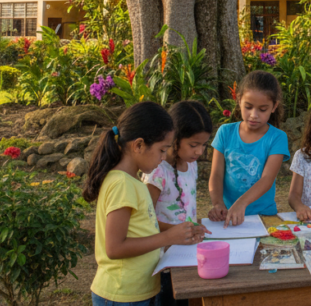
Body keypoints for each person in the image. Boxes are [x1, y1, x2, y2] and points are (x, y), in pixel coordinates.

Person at [83, 101, 205, 306]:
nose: (164, 156)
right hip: (120, 295)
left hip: (136, 292)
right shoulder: (122, 184)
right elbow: (114, 248)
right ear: (138, 145)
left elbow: (143, 228)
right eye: (162, 150)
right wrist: (167, 237)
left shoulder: (132, 181)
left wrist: (179, 232)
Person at [143, 101, 213, 306]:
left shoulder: (190, 165)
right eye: (194, 145)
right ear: (174, 139)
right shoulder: (156, 171)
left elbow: (186, 208)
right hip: (162, 260)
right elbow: (144, 220)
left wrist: (191, 229)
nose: (200, 152)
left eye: (204, 145)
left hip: (187, 253)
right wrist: (175, 232)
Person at [208, 70, 290, 225]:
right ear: (239, 100)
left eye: (262, 109)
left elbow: (267, 179)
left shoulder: (277, 138)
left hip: (264, 215)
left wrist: (241, 203)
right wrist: (218, 203)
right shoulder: (225, 132)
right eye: (248, 107)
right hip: (228, 214)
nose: (254, 115)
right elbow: (216, 175)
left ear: (274, 107)